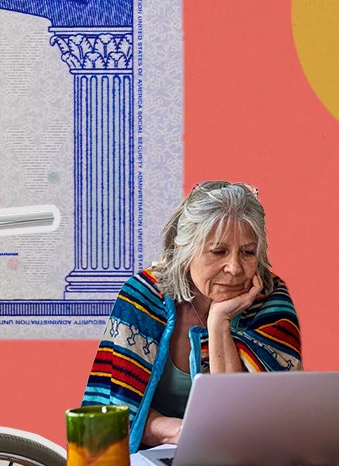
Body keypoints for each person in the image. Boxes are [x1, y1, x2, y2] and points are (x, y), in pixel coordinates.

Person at [81, 181, 302, 453]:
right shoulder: (143, 296)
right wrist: (178, 431)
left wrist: (219, 323)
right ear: (184, 252)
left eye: (247, 252)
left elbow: (250, 423)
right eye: (218, 251)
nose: (234, 268)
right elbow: (115, 409)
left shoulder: (270, 301)